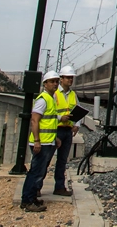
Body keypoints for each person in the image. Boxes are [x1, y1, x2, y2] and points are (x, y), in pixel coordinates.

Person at [19, 71, 70, 212]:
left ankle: (32, 199)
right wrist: (37, 141)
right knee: (35, 173)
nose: (55, 84)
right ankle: (27, 201)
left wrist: (55, 138)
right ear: (45, 84)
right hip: (41, 143)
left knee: (39, 173)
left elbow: (50, 122)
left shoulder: (50, 98)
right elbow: (35, 120)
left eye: (56, 81)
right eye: (52, 81)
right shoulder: (43, 99)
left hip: (48, 142)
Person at [51, 65, 81, 196]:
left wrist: (77, 124)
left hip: (67, 131)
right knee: (45, 160)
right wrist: (59, 118)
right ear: (61, 79)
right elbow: (48, 112)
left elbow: (78, 110)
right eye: (68, 77)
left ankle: (59, 187)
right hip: (55, 130)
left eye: (71, 78)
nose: (70, 80)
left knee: (62, 161)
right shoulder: (54, 94)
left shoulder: (73, 95)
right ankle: (36, 187)